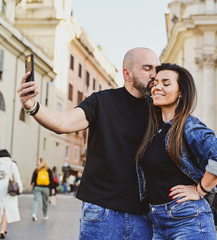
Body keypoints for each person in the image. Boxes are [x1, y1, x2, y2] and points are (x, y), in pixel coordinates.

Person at [17, 47, 159, 239]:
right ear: (128, 74)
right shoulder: (101, 101)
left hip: (144, 218)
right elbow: (63, 123)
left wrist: (198, 188)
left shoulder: (159, 110)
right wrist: (32, 106)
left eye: (156, 68)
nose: (154, 74)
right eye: (147, 68)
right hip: (102, 215)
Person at [135, 63, 217, 239]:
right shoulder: (154, 130)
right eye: (155, 83)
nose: (158, 87)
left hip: (188, 219)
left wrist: (199, 190)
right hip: (157, 221)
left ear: (181, 92)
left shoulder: (189, 126)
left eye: (166, 83)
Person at [0, 149, 23, 239]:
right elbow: (17, 177)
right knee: (7, 208)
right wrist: (20, 188)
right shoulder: (11, 164)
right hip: (7, 186)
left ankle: (3, 227)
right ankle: (2, 230)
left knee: (1, 208)